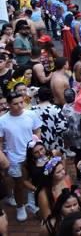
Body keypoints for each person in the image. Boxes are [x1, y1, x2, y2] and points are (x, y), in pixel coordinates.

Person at [0, 91, 42, 221]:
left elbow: (37, 130)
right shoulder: (2, 120)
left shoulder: (31, 114)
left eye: (21, 102)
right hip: (14, 158)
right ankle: (20, 207)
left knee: (35, 180)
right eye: (15, 104)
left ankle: (35, 203)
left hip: (32, 156)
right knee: (18, 184)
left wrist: (36, 146)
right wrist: (3, 157)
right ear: (8, 105)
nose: (19, 106)